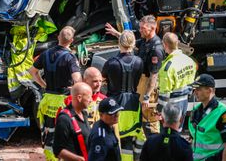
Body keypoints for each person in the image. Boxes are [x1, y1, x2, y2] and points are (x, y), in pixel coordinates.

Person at [29, 26, 82, 160]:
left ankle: (50, 157)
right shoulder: (70, 58)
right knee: (65, 132)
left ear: (58, 36)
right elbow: (77, 79)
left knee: (50, 131)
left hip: (48, 100)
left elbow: (32, 71)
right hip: (63, 101)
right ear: (71, 41)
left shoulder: (45, 54)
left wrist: (43, 84)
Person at [106, 15, 165, 136]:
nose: (140, 30)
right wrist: (117, 34)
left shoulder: (156, 48)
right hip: (141, 82)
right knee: (139, 115)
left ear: (153, 28)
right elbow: (130, 43)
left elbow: (154, 75)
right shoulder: (145, 40)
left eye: (143, 28)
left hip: (148, 84)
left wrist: (147, 96)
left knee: (149, 117)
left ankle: (154, 143)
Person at [102, 30, 145, 161]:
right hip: (132, 104)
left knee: (113, 136)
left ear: (119, 43)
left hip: (115, 104)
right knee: (129, 137)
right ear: (133, 44)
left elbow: (103, 78)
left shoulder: (111, 63)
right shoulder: (139, 62)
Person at [188, 74, 226, 161]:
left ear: (209, 90)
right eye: (194, 89)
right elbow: (194, 138)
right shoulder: (196, 110)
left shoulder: (223, 113)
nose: (195, 92)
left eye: (198, 89)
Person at [157, 32, 196, 129]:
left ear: (164, 45)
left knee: (168, 133)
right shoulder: (189, 61)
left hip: (171, 106)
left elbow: (165, 93)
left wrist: (160, 110)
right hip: (184, 102)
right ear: (177, 43)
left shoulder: (167, 67)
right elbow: (191, 83)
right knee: (178, 129)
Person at [53, 82, 92, 161]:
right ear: (79, 98)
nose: (91, 100)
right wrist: (79, 159)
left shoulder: (84, 114)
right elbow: (57, 150)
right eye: (89, 97)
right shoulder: (64, 119)